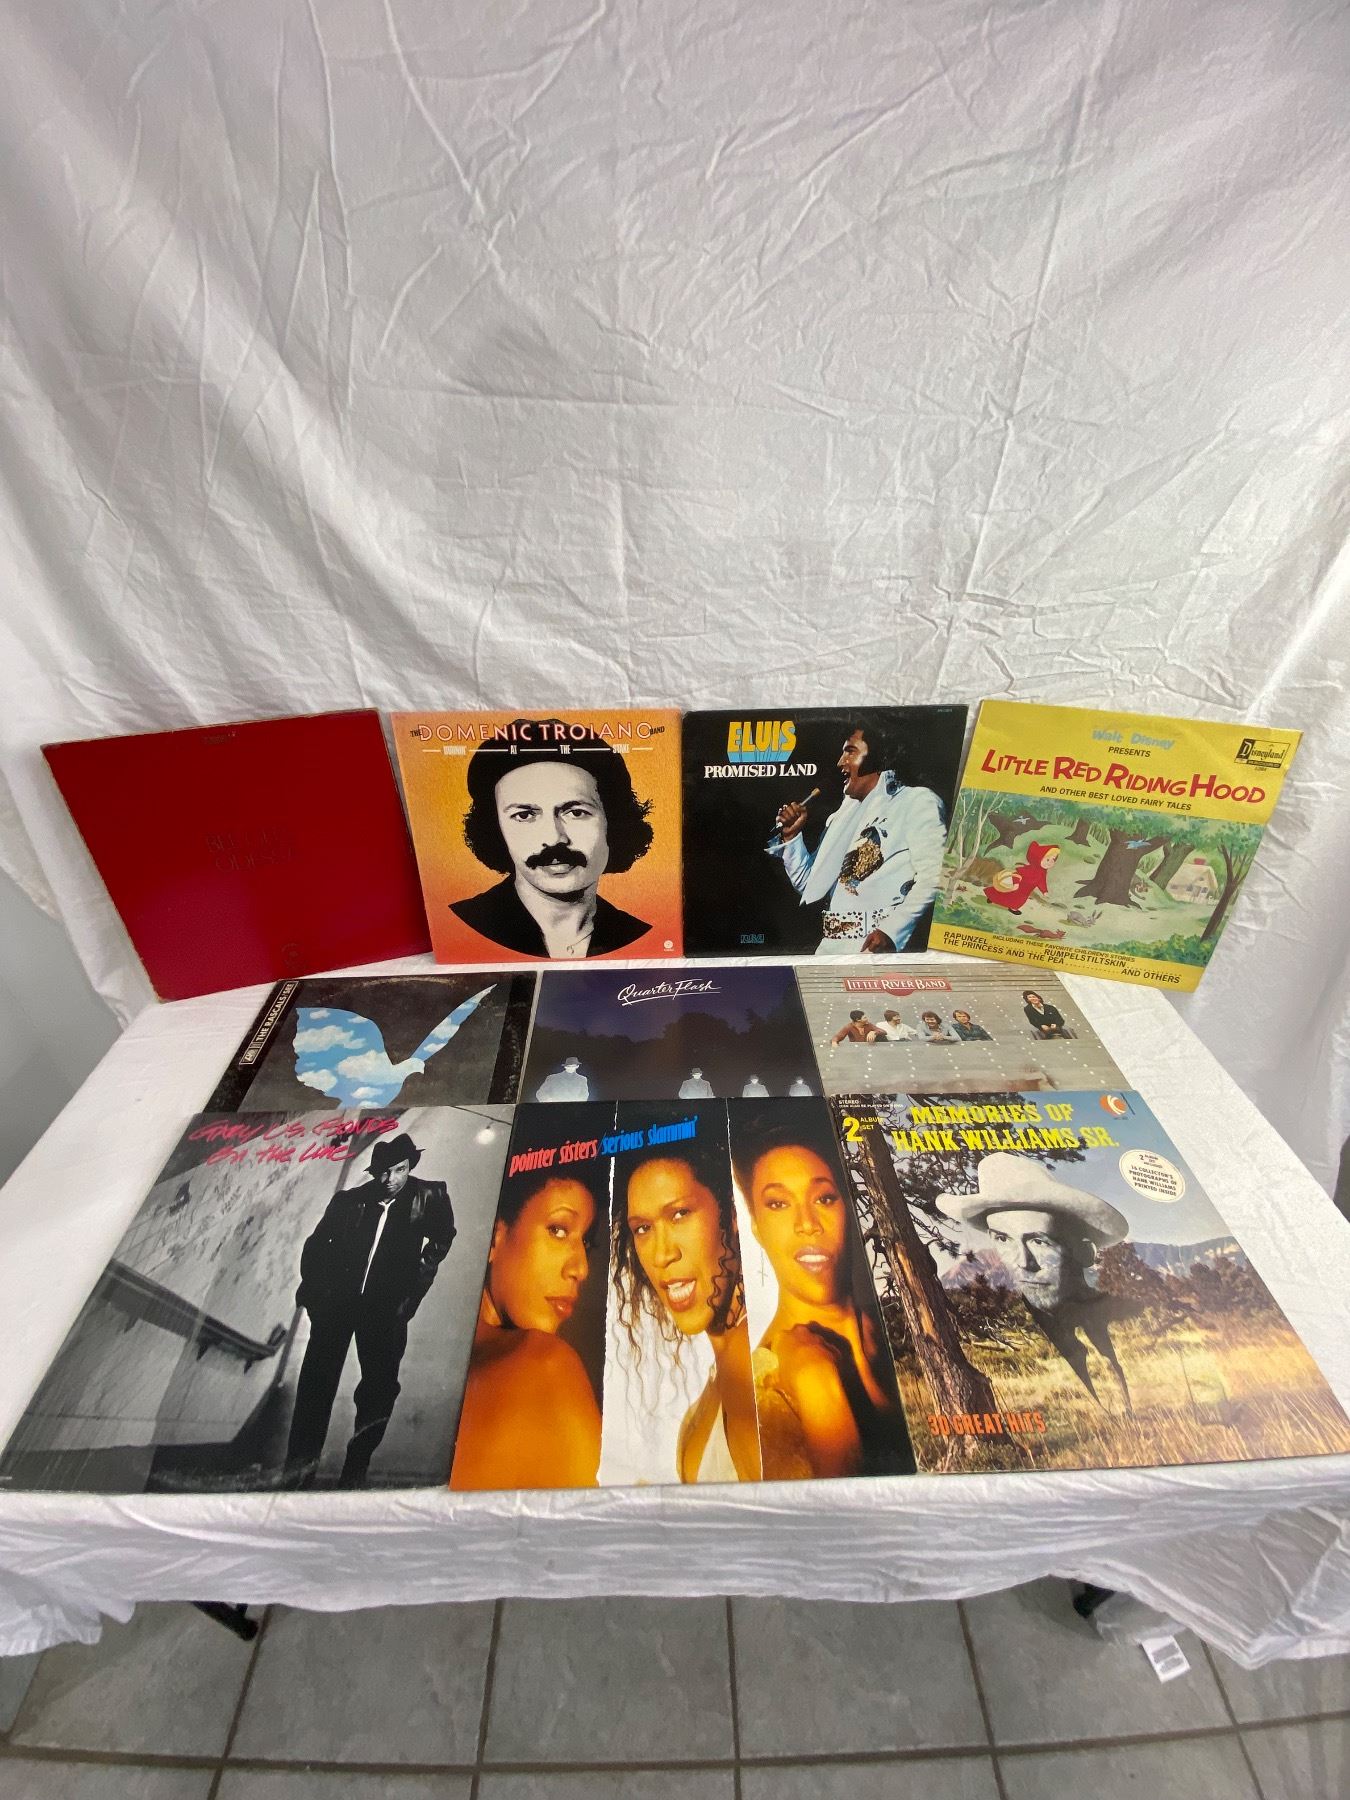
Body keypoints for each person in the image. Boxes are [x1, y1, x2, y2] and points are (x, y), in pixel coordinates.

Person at [733, 1120, 913, 1478]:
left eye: (824, 1198)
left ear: (848, 1210)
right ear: (756, 1227)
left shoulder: (900, 1330)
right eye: (778, 1203)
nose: (807, 1223)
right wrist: (816, 1384)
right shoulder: (762, 1396)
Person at [285, 1133, 454, 1487]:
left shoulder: (430, 1196)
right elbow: (315, 1247)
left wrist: (414, 1289)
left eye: (399, 1170)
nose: (390, 1179)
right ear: (374, 1171)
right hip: (337, 1306)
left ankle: (355, 1470)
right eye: (384, 1172)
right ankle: (298, 1475)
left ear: (409, 1167)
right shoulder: (348, 1201)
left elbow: (443, 1237)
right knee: (316, 1387)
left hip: (385, 1309)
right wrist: (316, 1297)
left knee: (379, 1390)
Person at [937, 1153, 1133, 1411]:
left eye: (1039, 1241)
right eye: (1003, 1239)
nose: (1023, 1262)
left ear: (1085, 1252)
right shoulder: (1001, 1335)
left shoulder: (1131, 1319)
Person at [614, 1148, 761, 1482]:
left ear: (731, 1215)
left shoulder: (749, 1366)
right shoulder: (712, 1394)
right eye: (643, 1228)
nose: (662, 1254)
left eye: (679, 1214)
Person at [449, 1170, 602, 1490]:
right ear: (494, 1238)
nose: (581, 1269)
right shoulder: (545, 1365)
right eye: (558, 1230)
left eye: (585, 1242)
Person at [451, 722, 654, 958]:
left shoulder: (638, 936)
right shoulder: (462, 925)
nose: (554, 838)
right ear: (495, 830)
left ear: (614, 822)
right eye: (524, 815)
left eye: (576, 812)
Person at [767, 717, 948, 955]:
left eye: (850, 751)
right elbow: (811, 885)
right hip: (830, 948)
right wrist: (792, 837)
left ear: (877, 756)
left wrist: (892, 931)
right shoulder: (841, 817)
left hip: (875, 947)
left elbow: (936, 875)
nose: (840, 762)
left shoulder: (915, 801)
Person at [984, 842, 1060, 915]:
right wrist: (1016, 883)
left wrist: (1044, 891)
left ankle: (1013, 908)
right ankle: (992, 897)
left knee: (1019, 900)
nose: (1051, 862)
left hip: (1026, 891)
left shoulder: (1043, 872)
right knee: (1006, 894)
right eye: (1048, 859)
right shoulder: (1031, 869)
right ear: (1038, 858)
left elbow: (1042, 882)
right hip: (1019, 886)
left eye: (1053, 859)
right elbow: (1016, 873)